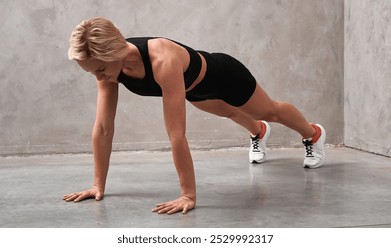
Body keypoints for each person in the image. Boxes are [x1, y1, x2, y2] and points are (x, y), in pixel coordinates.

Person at [63, 17, 326, 215]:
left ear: (115, 52)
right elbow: (103, 129)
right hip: (194, 90)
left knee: (270, 110)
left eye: (99, 69)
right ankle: (258, 132)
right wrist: (98, 185)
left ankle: (313, 134)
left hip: (225, 76)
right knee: (229, 111)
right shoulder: (108, 70)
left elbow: (176, 134)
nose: (98, 77)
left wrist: (187, 195)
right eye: (91, 72)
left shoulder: (162, 60)